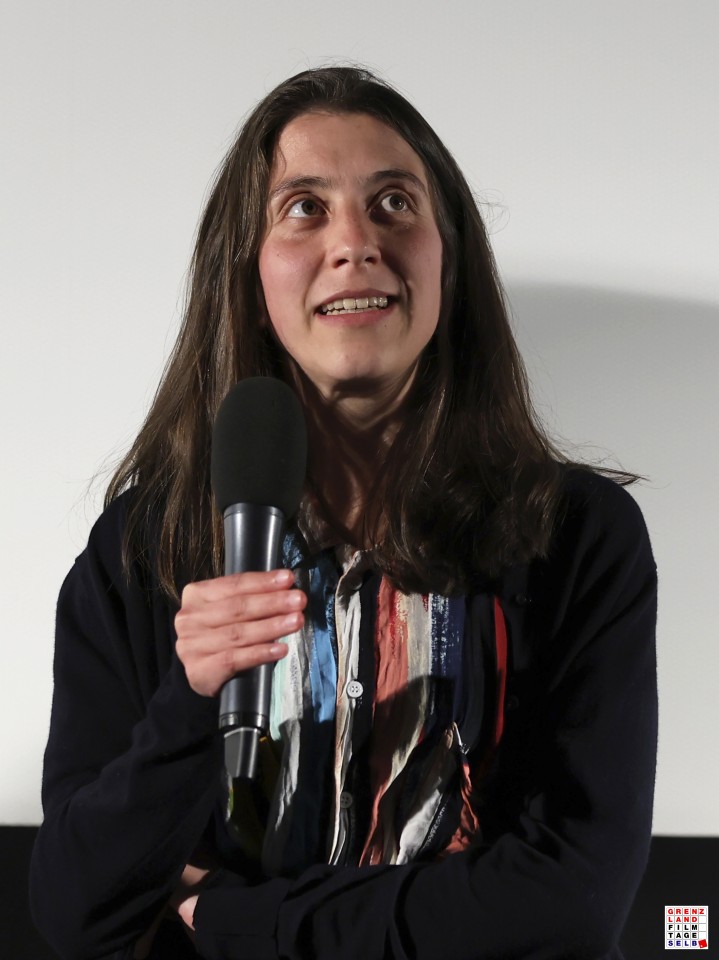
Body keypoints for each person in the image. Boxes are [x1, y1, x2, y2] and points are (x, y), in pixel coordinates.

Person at [30, 66, 657, 960]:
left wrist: (238, 919)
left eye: (394, 203)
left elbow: (569, 906)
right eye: (304, 208)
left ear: (448, 259)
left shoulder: (577, 535)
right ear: (248, 273)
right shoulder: (146, 547)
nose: (355, 243)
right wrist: (192, 699)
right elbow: (75, 911)